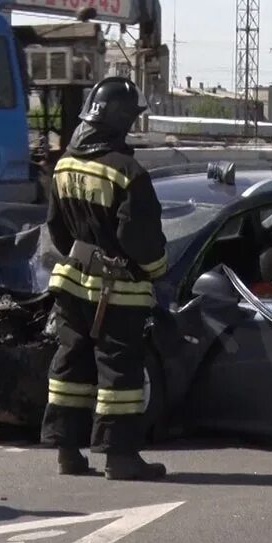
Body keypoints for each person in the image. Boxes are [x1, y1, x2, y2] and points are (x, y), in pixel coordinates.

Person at [41, 76, 168, 481]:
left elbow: (57, 231)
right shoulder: (128, 173)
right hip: (118, 293)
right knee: (119, 375)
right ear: (122, 120)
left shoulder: (64, 164)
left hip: (71, 284)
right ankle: (120, 457)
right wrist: (157, 271)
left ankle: (67, 452)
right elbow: (141, 240)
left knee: (71, 365)